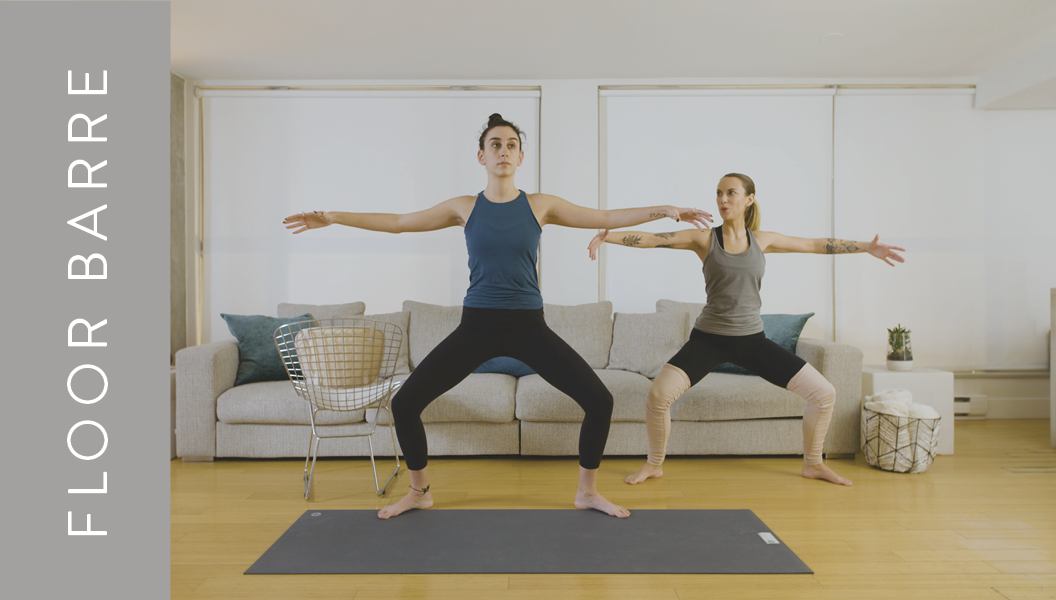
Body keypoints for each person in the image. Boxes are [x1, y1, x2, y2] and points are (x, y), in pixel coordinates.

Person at [284, 113, 712, 518]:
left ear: (521, 157)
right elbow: (399, 221)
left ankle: (587, 492)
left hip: (530, 326)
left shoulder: (540, 205)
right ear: (482, 157)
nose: (504, 151)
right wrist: (335, 218)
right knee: (406, 402)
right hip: (477, 327)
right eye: (495, 145)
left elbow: (602, 217)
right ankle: (419, 492)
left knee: (599, 400)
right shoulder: (464, 207)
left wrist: (665, 208)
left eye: (512, 145)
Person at [588, 173, 905, 487]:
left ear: (749, 199)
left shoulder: (762, 240)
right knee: (658, 395)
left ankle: (813, 464)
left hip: (752, 341)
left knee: (824, 394)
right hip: (709, 340)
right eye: (718, 193)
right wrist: (607, 235)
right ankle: (654, 464)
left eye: (731, 193)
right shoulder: (704, 238)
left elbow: (813, 244)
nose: (723, 200)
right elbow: (654, 240)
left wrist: (866, 247)